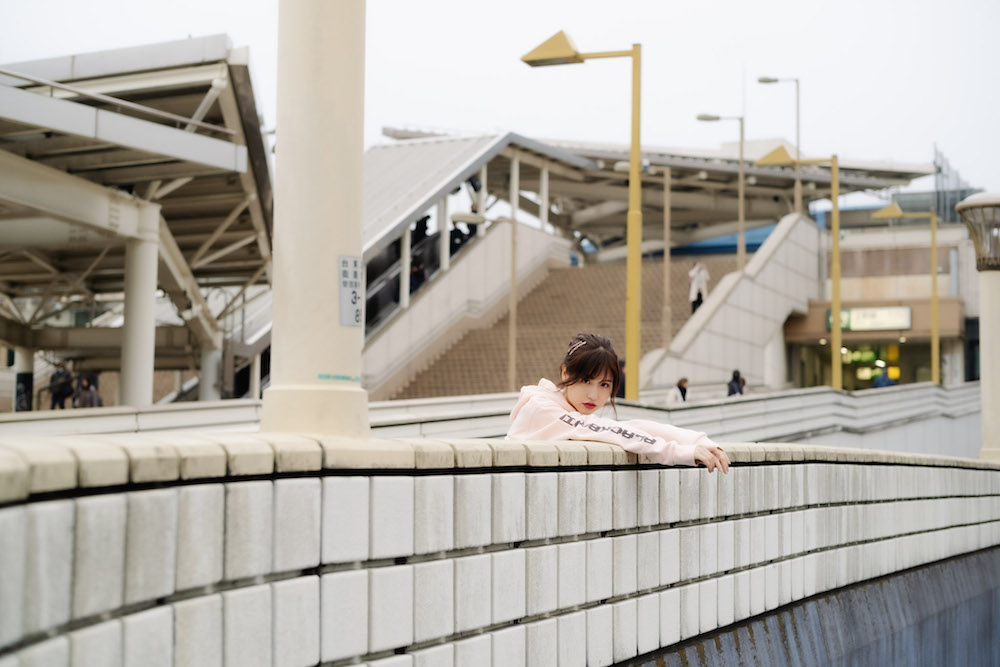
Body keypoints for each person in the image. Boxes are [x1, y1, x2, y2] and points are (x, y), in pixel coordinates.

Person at [507, 333, 730, 472]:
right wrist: (680, 452)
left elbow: (631, 426)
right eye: (586, 380)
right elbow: (610, 430)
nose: (594, 395)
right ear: (565, 373)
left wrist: (699, 441)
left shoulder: (567, 412)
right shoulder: (541, 409)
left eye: (604, 384)